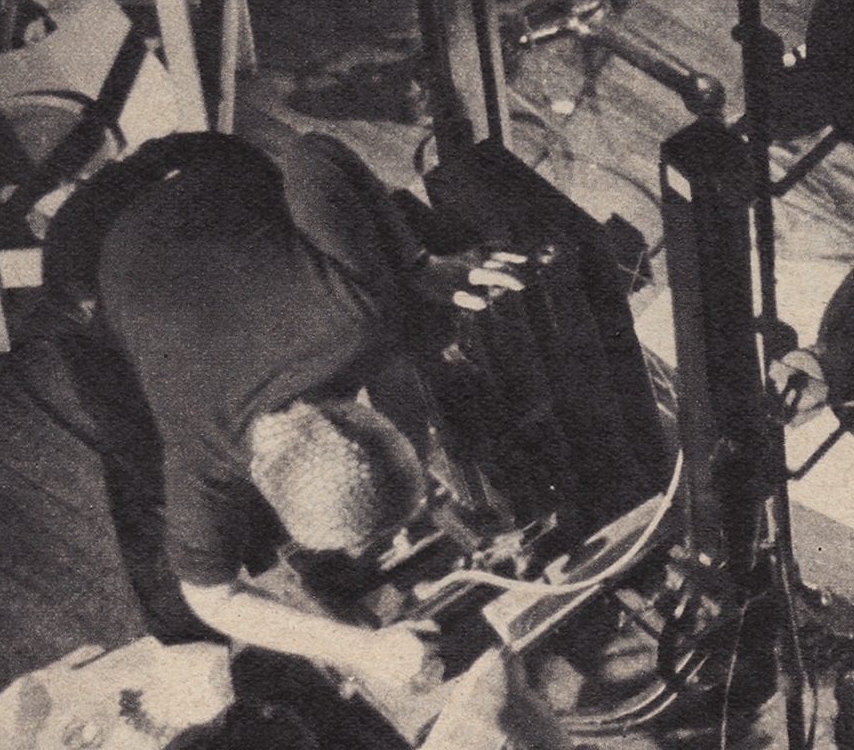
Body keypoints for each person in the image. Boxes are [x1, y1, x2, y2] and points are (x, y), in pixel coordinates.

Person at [42, 130, 525, 700]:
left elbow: (314, 150)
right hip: (90, 243)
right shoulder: (200, 456)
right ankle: (184, 653)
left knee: (410, 299)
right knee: (142, 477)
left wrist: (416, 263)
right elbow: (206, 597)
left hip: (192, 170)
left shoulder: (354, 317)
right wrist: (360, 649)